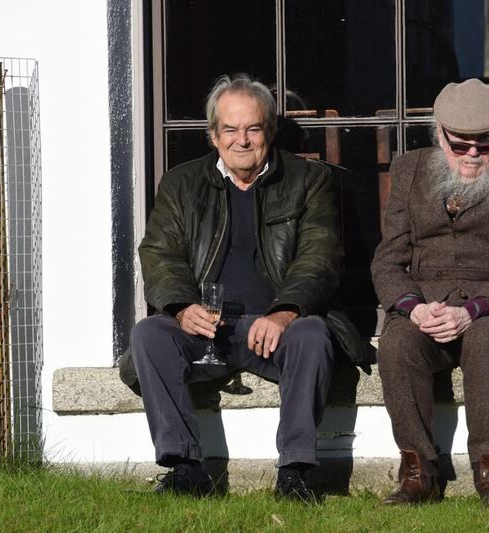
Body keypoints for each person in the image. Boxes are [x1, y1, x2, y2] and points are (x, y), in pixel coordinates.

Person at [118, 73, 371, 501]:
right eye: (230, 129)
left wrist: (285, 311)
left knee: (312, 333)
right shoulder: (181, 183)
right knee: (149, 335)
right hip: (207, 327)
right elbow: (159, 254)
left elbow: (320, 256)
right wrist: (181, 307)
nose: (242, 140)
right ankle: (185, 468)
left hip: (277, 328)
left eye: (253, 128)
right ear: (213, 136)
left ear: (268, 132)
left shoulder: (308, 180)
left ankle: (294, 474)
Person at [371, 78, 489, 506]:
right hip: (427, 308)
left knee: (487, 339)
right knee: (396, 342)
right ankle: (418, 469)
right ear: (440, 134)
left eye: (484, 145)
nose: (472, 154)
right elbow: (387, 260)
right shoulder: (409, 170)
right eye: (461, 144)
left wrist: (473, 310)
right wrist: (412, 308)